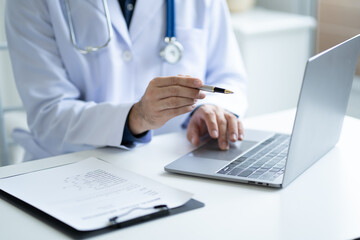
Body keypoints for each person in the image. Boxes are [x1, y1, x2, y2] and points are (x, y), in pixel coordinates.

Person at [5, 0, 248, 161]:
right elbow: (48, 114)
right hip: (71, 164)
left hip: (175, 159)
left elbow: (229, 78)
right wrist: (136, 117)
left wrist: (213, 109)